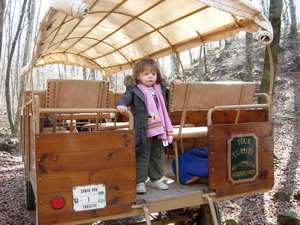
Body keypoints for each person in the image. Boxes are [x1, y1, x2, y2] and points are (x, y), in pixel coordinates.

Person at [116, 58, 182, 194]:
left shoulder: (160, 89)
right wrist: (121, 105)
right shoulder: (134, 90)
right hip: (142, 128)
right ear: (138, 76)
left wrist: (176, 84)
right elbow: (124, 98)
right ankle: (140, 181)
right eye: (146, 74)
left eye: (153, 74)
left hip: (159, 127)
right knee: (142, 154)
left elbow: (173, 96)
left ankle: (156, 179)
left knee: (157, 154)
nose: (150, 76)